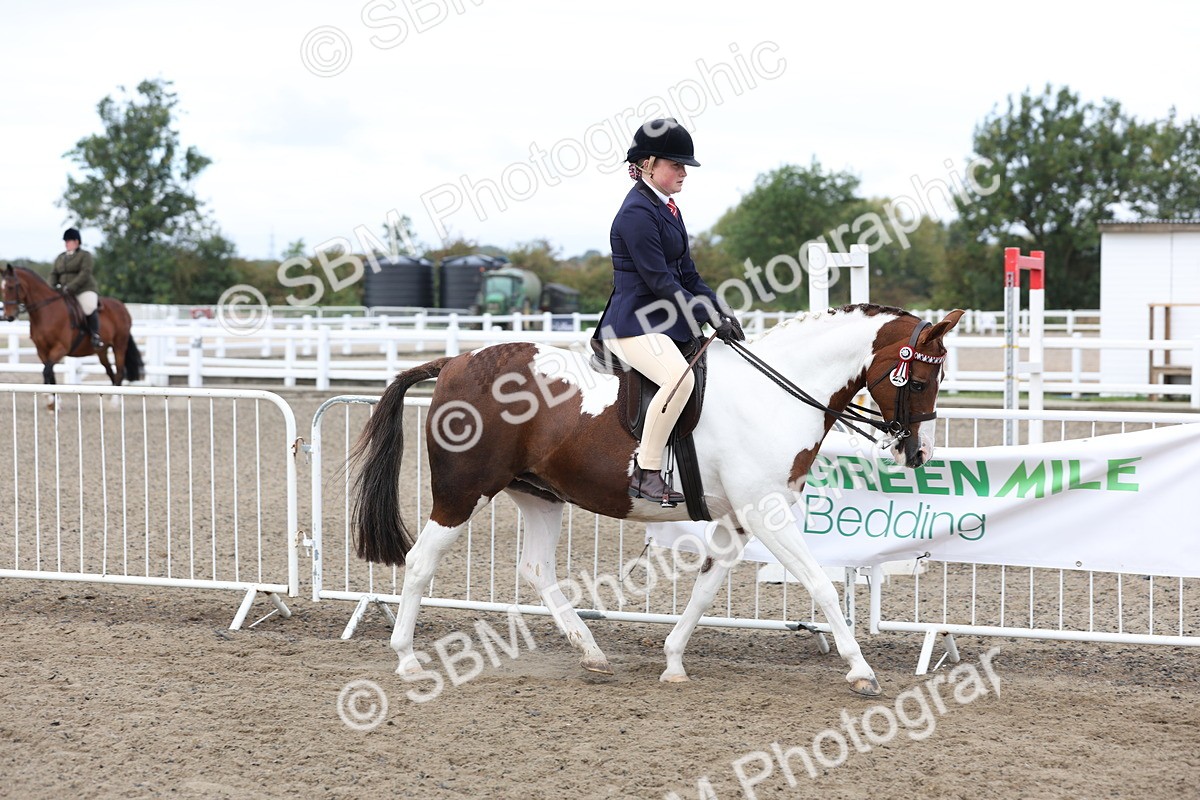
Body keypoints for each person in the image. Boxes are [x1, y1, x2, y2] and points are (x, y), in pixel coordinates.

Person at [595, 118, 744, 506]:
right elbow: (661, 281)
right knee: (679, 381)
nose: (683, 173)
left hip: (663, 321)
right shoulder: (636, 215)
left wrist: (718, 308)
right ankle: (646, 471)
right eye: (675, 165)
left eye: (684, 166)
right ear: (648, 165)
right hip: (632, 324)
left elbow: (688, 274)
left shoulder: (668, 209)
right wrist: (703, 314)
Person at [51, 228, 104, 348]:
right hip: (64, 291)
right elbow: (53, 274)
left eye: (68, 241)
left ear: (76, 242)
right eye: (65, 241)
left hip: (83, 289)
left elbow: (85, 273)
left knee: (89, 307)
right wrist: (51, 287)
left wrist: (71, 287)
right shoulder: (60, 257)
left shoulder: (85, 255)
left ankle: (95, 335)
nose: (66, 244)